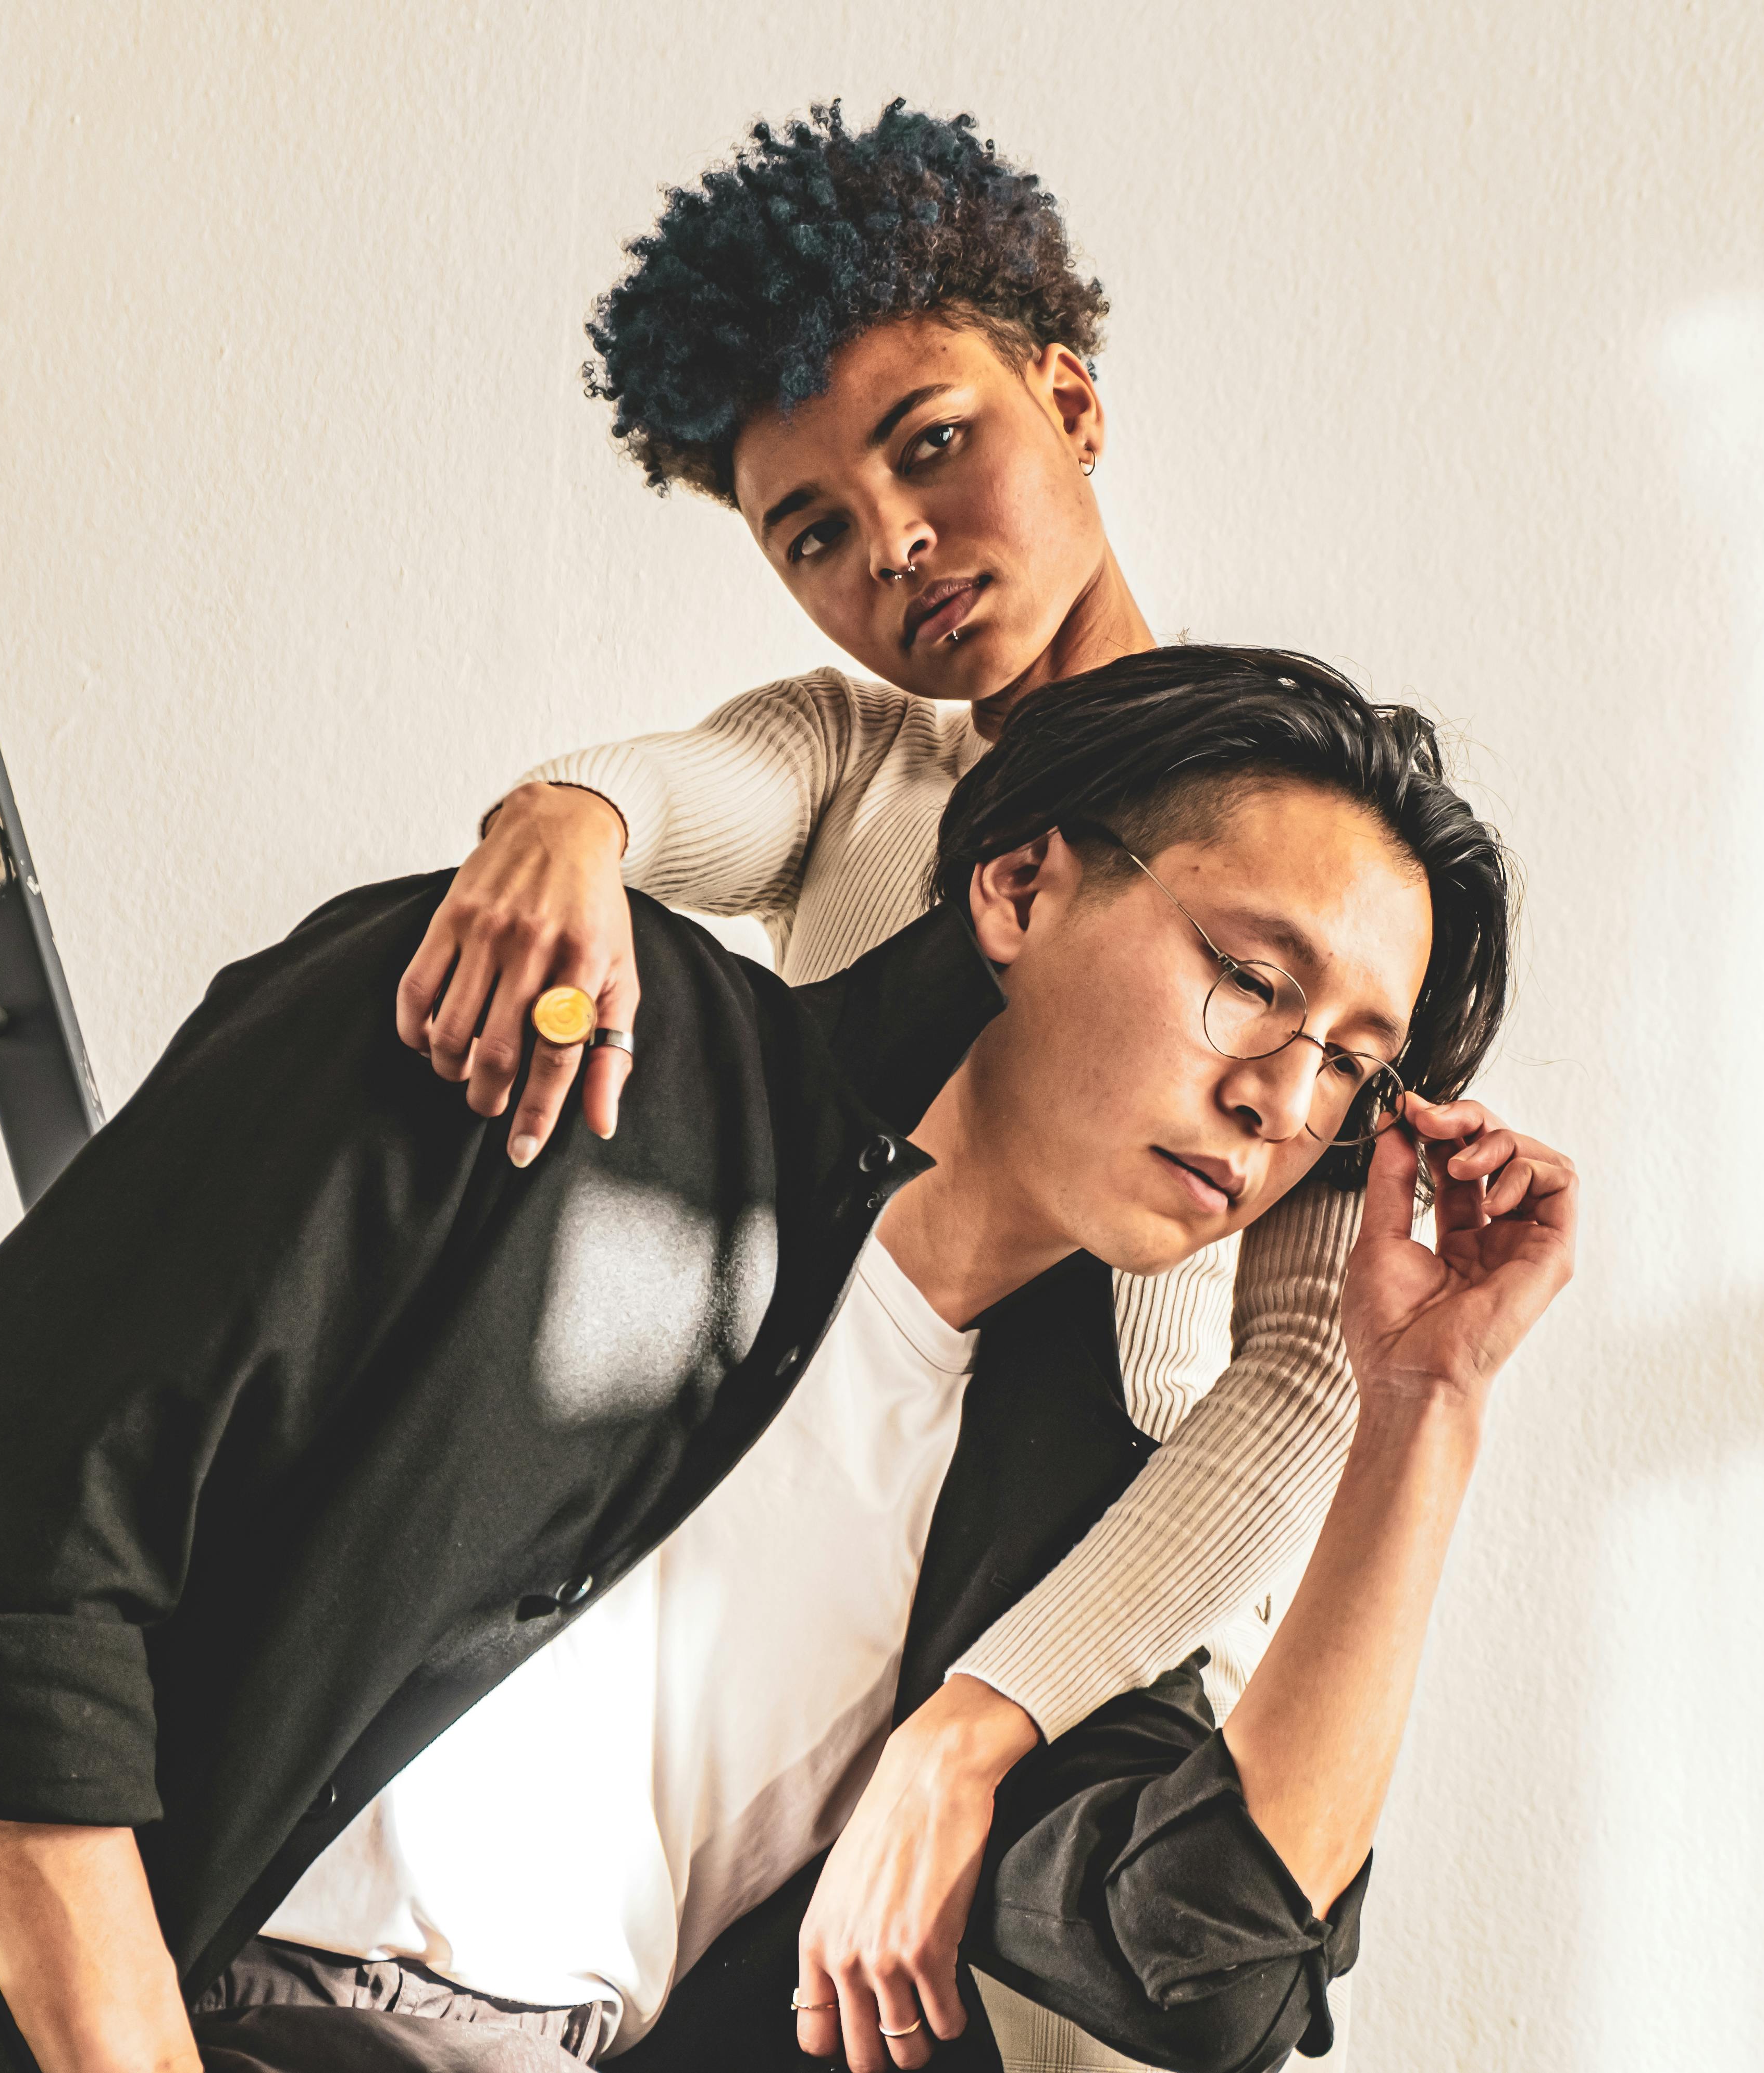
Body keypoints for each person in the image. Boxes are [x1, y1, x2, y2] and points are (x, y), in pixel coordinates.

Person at [0, 650, 1575, 2073]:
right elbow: (13, 1530)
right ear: (1018, 886)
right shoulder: (559, 1027)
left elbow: (1202, 1964)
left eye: (1351, 1067)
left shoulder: (1067, 1512)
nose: (1283, 1103)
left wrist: (1427, 1402)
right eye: (1251, 982)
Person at [401, 110, 1375, 2063]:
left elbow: (1303, 1376)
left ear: (1071, 397)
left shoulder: (1312, 860)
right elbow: (680, 794)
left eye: (932, 444)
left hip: (1108, 1697)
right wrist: (566, 812)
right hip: (812, 1670)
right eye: (815, 532)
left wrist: (990, 1713)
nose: (898, 548)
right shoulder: (858, 762)